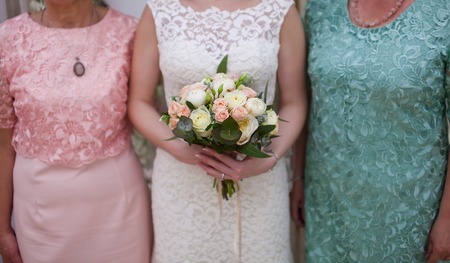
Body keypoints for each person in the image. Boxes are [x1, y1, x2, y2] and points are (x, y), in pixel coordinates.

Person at [128, 0, 308, 262]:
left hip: (258, 180)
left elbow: (295, 102)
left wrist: (268, 159)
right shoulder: (160, 9)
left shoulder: (279, 8)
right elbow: (139, 103)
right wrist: (179, 148)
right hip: (182, 179)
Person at [290, 0, 450, 262]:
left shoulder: (443, 13)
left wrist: (447, 218)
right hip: (329, 204)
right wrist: (298, 178)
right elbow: (310, 99)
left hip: (408, 212)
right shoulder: (321, 8)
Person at [0, 1, 152, 262]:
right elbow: (2, 146)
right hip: (40, 216)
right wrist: (2, 228)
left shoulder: (129, 32)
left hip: (119, 210)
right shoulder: (8, 39)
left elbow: (149, 107)